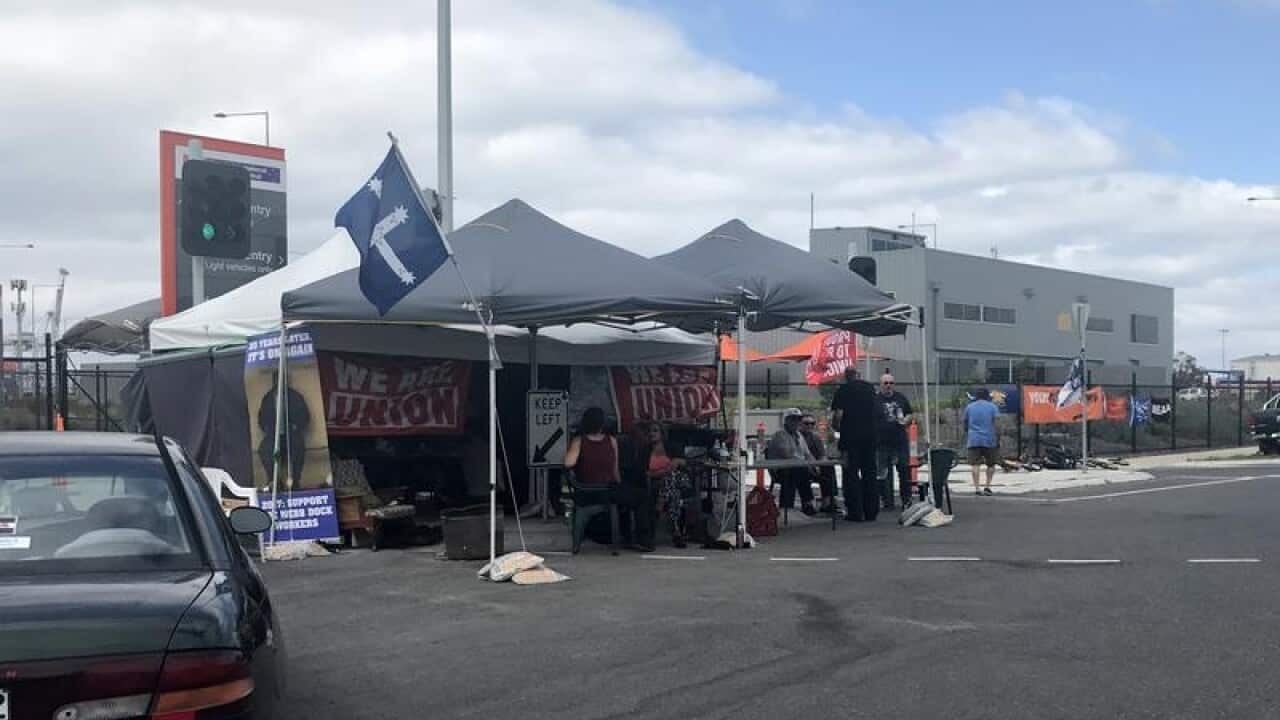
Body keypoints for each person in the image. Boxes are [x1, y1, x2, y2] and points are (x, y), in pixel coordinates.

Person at [831, 367, 880, 521]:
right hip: (870, 437)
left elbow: (838, 415)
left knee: (850, 474)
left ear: (846, 377)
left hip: (850, 438)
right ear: (858, 375)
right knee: (870, 473)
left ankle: (855, 512)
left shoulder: (843, 390)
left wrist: (837, 427)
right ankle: (871, 511)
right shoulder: (870, 389)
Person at [638, 421, 690, 548]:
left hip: (680, 480)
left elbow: (684, 463)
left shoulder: (672, 447)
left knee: (671, 477)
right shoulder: (645, 451)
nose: (651, 433)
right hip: (660, 485)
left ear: (662, 433)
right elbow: (646, 474)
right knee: (674, 494)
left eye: (655, 431)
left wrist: (678, 461)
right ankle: (677, 532)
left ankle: (659, 504)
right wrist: (665, 470)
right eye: (650, 431)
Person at [766, 408, 819, 516]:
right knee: (798, 470)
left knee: (827, 470)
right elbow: (787, 456)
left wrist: (816, 465)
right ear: (786, 420)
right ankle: (801, 505)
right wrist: (807, 465)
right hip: (781, 470)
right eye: (793, 419)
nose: (796, 422)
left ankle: (828, 503)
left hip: (799, 467)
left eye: (798, 419)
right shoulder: (780, 435)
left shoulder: (799, 435)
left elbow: (808, 454)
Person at [874, 372, 915, 510]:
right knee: (883, 473)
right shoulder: (875, 399)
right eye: (885, 383)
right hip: (882, 442)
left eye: (891, 383)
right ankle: (887, 501)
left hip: (900, 441)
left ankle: (906, 499)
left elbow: (910, 413)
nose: (888, 386)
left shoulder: (900, 398)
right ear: (881, 385)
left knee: (904, 470)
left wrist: (906, 420)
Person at [617, 421, 659, 551]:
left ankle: (642, 537)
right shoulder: (625, 443)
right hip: (624, 482)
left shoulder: (648, 447)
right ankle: (639, 538)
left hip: (641, 481)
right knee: (642, 497)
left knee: (647, 495)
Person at [963, 388, 1001, 495]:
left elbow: (965, 423)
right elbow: (997, 423)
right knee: (991, 464)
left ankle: (977, 488)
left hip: (974, 439)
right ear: (987, 396)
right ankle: (987, 486)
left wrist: (968, 431)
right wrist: (998, 436)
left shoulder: (969, 407)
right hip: (989, 439)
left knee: (975, 464)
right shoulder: (993, 407)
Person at [800, 413, 837, 513]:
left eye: (812, 423)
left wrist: (821, 464)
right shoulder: (797, 437)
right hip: (801, 467)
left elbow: (822, 455)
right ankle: (807, 504)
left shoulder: (816, 437)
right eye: (806, 423)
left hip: (815, 466)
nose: (810, 426)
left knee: (828, 468)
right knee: (802, 472)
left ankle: (828, 502)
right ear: (800, 424)